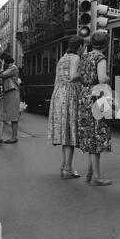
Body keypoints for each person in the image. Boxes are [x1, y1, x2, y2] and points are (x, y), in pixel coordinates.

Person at [47, 36, 85, 179]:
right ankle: (67, 169)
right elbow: (73, 76)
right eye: (83, 47)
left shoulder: (62, 58)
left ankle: (64, 166)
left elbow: (57, 79)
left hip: (58, 93)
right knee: (70, 132)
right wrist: (86, 73)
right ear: (79, 46)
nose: (84, 50)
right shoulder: (75, 57)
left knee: (65, 132)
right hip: (69, 94)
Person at [78, 31, 112, 186]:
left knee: (90, 135)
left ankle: (90, 173)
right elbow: (101, 78)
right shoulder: (100, 57)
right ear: (106, 44)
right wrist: (108, 78)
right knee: (97, 136)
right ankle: (97, 177)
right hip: (96, 96)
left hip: (84, 96)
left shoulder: (85, 57)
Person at [0, 53, 20, 144]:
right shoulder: (7, 69)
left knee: (13, 116)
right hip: (6, 93)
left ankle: (14, 137)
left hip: (13, 93)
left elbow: (2, 75)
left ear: (4, 60)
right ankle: (0, 136)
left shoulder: (13, 68)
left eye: (0, 61)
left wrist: (1, 66)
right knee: (0, 113)